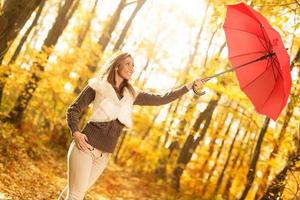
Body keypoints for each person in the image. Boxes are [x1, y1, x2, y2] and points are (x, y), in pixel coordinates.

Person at [57, 52, 205, 200]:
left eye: (133, 65)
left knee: (73, 193)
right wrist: (75, 132)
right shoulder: (98, 86)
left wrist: (189, 86)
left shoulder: (131, 94)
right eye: (128, 63)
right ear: (117, 65)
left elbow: (162, 98)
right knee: (76, 195)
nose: (131, 68)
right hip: (85, 147)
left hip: (104, 155)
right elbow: (74, 109)